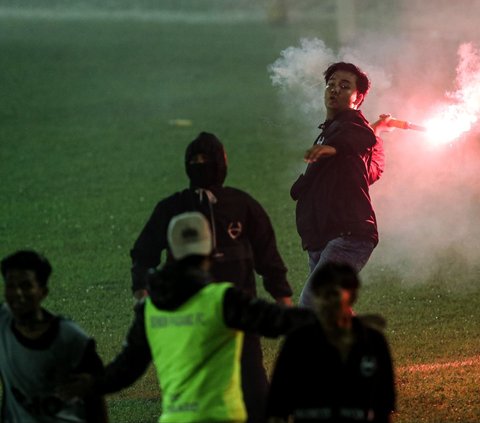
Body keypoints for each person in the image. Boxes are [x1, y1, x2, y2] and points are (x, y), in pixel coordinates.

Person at [87, 212, 313, 423]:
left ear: (173, 252)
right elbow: (277, 321)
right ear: (209, 250)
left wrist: (88, 384)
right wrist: (329, 318)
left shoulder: (149, 309)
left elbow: (126, 369)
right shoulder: (221, 300)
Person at [130, 131, 294, 422]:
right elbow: (144, 254)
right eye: (195, 159)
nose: (200, 164)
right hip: (191, 319)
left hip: (240, 316)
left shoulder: (242, 205)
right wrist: (142, 292)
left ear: (221, 162)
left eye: (207, 159)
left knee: (254, 389)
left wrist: (282, 295)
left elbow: (267, 255)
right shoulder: (172, 208)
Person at [290, 61, 390, 308]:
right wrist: (376, 134)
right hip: (322, 236)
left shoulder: (350, 127)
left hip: (348, 235)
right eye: (331, 84)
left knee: (313, 304)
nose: (334, 90)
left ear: (358, 98)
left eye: (345, 86)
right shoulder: (334, 131)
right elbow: (369, 170)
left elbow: (358, 136)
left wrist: (335, 147)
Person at [266, 262, 396, 423]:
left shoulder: (373, 342)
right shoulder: (298, 343)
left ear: (353, 296)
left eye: (332, 294)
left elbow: (383, 407)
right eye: (320, 295)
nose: (325, 303)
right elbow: (277, 409)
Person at [0, 250, 107, 423]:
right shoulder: (2, 323)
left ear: (43, 292)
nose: (17, 293)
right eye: (11, 286)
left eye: (26, 286)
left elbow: (96, 400)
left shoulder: (71, 339)